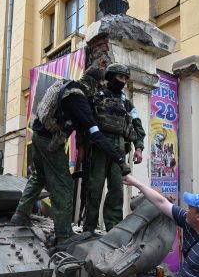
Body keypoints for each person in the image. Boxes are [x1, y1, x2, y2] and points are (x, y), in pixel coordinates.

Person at [11, 58, 131, 244]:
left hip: (37, 135)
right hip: (51, 141)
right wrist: (119, 159)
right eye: (100, 85)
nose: (100, 90)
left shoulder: (68, 85)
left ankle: (20, 214)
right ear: (94, 83)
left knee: (39, 176)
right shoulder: (79, 99)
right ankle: (64, 235)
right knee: (64, 185)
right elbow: (95, 133)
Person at [83, 63, 145, 233]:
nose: (123, 81)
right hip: (99, 146)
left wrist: (138, 147)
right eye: (120, 77)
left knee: (116, 190)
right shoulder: (97, 97)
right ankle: (89, 228)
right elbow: (85, 122)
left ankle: (113, 228)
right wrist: (81, 147)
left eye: (125, 78)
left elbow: (138, 125)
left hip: (119, 146)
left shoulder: (127, 103)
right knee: (94, 189)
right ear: (111, 77)